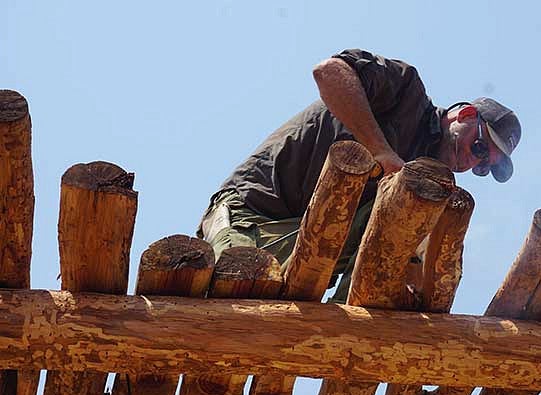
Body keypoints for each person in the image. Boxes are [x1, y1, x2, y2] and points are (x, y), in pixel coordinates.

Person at [198, 48, 522, 303]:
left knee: (416, 221)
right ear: (464, 115)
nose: (472, 163)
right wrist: (381, 150)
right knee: (235, 287)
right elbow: (328, 72)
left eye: (484, 167)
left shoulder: (427, 189)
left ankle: (350, 315)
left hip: (307, 247)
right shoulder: (406, 91)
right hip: (251, 214)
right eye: (479, 148)